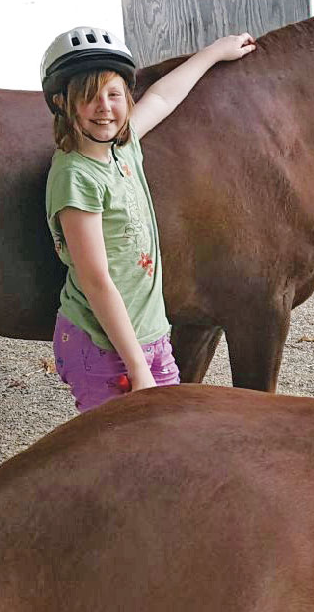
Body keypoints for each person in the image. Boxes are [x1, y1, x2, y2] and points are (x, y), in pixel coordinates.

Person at [41, 25, 255, 413]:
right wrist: (138, 369)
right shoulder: (77, 177)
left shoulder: (123, 148)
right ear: (62, 103)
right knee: (116, 453)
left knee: (163, 438)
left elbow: (162, 96)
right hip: (103, 345)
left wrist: (214, 52)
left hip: (151, 336)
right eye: (89, 97)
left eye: (114, 94)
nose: (104, 107)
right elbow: (96, 280)